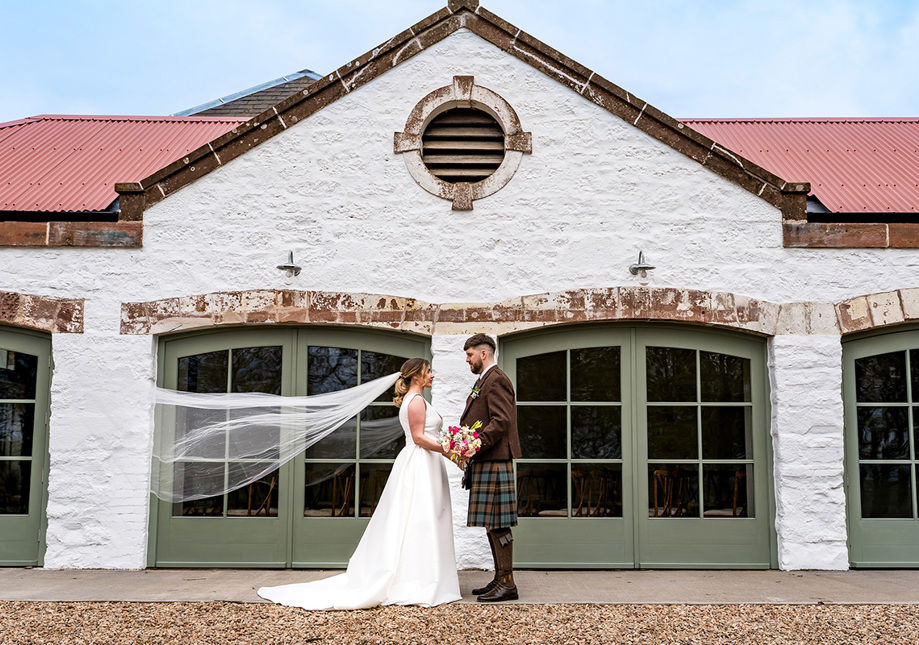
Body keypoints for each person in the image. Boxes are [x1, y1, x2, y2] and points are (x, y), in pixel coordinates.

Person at [257, 358, 461, 609]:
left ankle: (422, 574)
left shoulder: (416, 399)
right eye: (428, 371)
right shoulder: (416, 401)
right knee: (420, 517)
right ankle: (417, 579)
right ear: (417, 376)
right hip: (420, 463)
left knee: (420, 518)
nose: (432, 375)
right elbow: (419, 438)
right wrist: (450, 450)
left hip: (425, 463)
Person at [460, 333, 522, 602]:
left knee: (499, 523)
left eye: (470, 354)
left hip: (495, 458)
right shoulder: (485, 380)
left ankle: (507, 583)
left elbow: (501, 421)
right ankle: (500, 577)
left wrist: (475, 445)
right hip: (488, 459)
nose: (467, 359)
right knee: (491, 523)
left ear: (483, 354)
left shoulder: (496, 380)